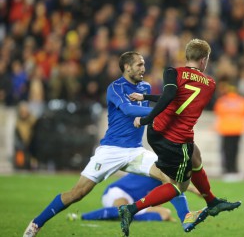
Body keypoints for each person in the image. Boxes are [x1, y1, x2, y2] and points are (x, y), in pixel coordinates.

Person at [23, 51, 205, 237]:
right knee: (77, 193)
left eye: (144, 64)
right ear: (127, 67)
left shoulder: (145, 87)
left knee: (169, 176)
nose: (143, 68)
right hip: (111, 150)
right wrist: (159, 112)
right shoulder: (115, 87)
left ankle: (185, 218)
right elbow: (127, 109)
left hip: (135, 150)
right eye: (139, 65)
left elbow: (147, 115)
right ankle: (36, 223)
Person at [119, 39, 241, 237]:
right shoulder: (210, 84)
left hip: (157, 131)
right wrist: (145, 118)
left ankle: (212, 201)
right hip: (176, 140)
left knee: (196, 156)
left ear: (187, 56)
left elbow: (172, 95)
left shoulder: (172, 72)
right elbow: (174, 96)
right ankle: (131, 209)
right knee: (179, 186)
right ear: (204, 60)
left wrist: (147, 103)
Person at [67, 173, 203, 223]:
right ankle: (81, 217)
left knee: (165, 214)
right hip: (118, 193)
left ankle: (123, 216)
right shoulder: (157, 168)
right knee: (123, 207)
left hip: (136, 204)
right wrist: (194, 189)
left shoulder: (166, 183)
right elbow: (173, 183)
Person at [213, 81, 244, 180]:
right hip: (237, 129)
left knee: (226, 151)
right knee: (235, 150)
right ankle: (233, 169)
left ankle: (227, 169)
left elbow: (217, 112)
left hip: (225, 129)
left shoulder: (222, 100)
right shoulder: (242, 100)